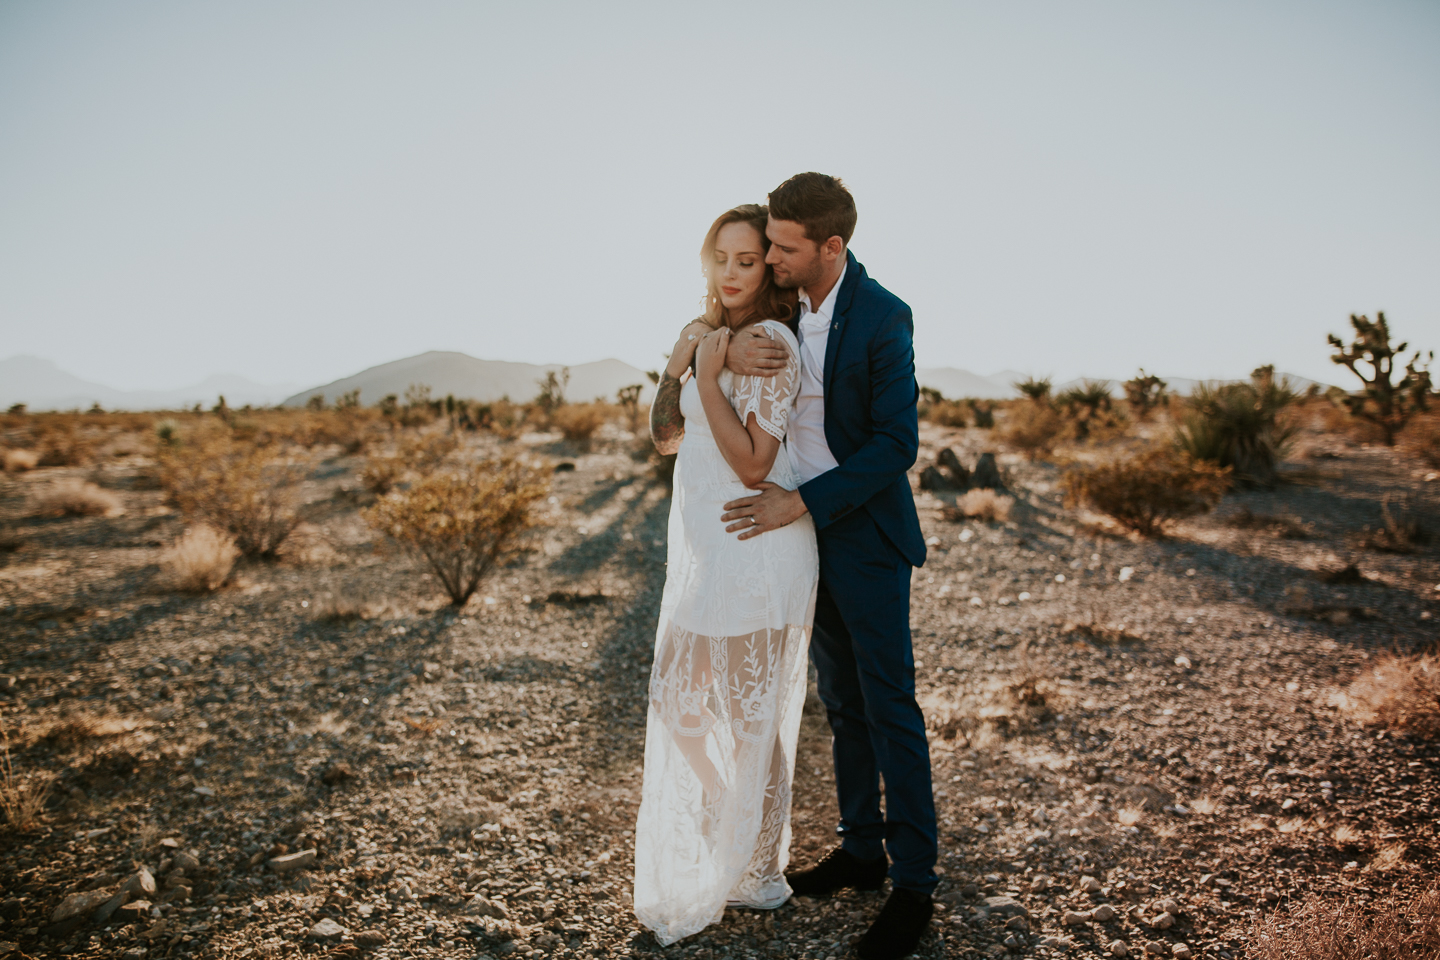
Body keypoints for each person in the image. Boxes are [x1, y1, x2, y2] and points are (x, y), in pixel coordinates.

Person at [721, 173, 937, 960]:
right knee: (840, 705)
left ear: (831, 247)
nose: (770, 255)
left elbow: (896, 444)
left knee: (890, 708)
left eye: (784, 246)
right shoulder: (780, 305)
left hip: (867, 540)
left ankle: (914, 884)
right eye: (768, 243)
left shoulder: (883, 317)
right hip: (802, 542)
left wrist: (801, 503)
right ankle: (860, 852)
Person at [633, 204, 817, 945]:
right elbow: (664, 435)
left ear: (767, 267)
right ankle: (729, 812)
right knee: (675, 695)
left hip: (761, 545)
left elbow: (752, 464)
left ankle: (759, 871)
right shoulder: (704, 334)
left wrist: (708, 372)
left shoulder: (769, 342)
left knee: (750, 720)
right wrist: (684, 360)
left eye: (749, 260)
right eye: (722, 259)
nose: (734, 273)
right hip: (716, 550)